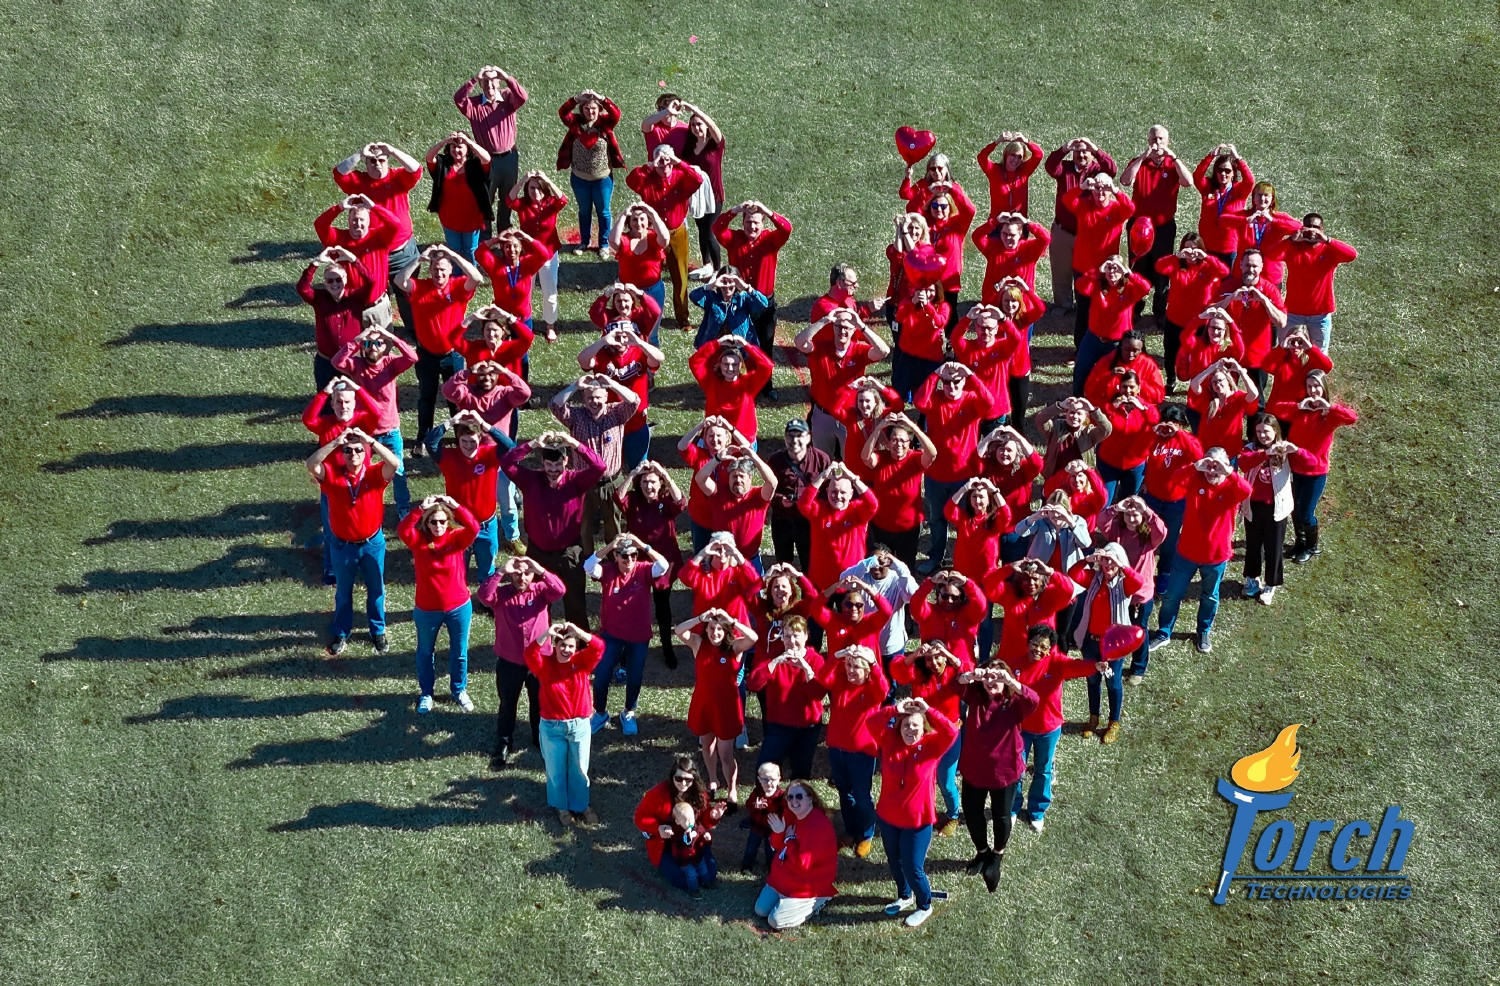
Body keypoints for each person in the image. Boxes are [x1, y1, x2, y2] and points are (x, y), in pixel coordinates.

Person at [306, 429, 400, 655]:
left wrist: (370, 441)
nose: (353, 454)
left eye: (359, 450)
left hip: (372, 544)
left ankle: (377, 630)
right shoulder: (332, 475)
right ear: (341, 454)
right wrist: (335, 442)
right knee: (343, 591)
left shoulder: (375, 474)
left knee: (376, 589)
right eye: (347, 450)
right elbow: (311, 464)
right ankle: (341, 632)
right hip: (342, 546)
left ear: (366, 452)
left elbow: (394, 463)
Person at [1150, 448, 1253, 653]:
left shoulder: (1232, 487)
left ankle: (1203, 631)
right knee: (1171, 595)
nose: (1212, 471)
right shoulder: (1195, 480)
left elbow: (1247, 491)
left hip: (1216, 556)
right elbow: (1175, 478)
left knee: (1210, 596)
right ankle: (1164, 632)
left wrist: (1228, 472)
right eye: (1210, 465)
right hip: (1186, 553)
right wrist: (1195, 466)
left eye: (1218, 466)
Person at [870, 696, 959, 928]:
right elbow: (870, 723)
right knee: (894, 860)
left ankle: (924, 905)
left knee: (912, 865)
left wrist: (929, 709)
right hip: (889, 816)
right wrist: (893, 710)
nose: (910, 729)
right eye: (906, 725)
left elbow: (951, 731)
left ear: (924, 728)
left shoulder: (932, 745)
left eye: (915, 725)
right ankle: (904, 895)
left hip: (918, 820)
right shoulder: (890, 740)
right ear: (899, 726)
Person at [499, 432, 606, 626]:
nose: (553, 470)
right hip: (538, 553)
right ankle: (541, 643)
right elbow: (506, 463)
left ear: (566, 461)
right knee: (537, 603)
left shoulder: (576, 481)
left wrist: (575, 444)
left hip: (570, 553)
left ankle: (579, 646)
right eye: (549, 465)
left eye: (558, 465)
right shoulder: (530, 480)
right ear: (542, 463)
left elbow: (600, 466)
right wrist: (532, 443)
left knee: (575, 605)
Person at [393, 245, 485, 455]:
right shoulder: (420, 287)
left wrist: (453, 254)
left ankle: (461, 436)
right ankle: (423, 439)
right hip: (426, 355)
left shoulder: (458, 287)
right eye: (435, 269)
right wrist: (419, 259)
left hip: (452, 355)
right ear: (429, 270)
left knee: (456, 399)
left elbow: (477, 278)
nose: (439, 274)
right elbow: (399, 281)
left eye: (443, 269)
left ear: (450, 271)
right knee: (427, 398)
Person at [956, 661, 1040, 890]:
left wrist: (1011, 681)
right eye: (988, 677)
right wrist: (973, 675)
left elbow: (1034, 700)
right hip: (975, 768)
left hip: (1005, 772)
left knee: (1001, 815)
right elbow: (956, 683)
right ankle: (982, 852)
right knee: (972, 812)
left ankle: (997, 856)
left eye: (998, 678)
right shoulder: (976, 696)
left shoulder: (1014, 702)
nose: (992, 682)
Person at [1009, 626, 1102, 832]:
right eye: (1035, 644)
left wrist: (1096, 666)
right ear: (1028, 643)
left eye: (1044, 647)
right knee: (1016, 770)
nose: (1038, 650)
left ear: (1051, 649)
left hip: (1048, 729)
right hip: (1021, 728)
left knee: (1043, 771)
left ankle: (1037, 811)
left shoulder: (1057, 663)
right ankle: (1013, 807)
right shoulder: (1015, 665)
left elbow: (1080, 666)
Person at [475, 556, 564, 768]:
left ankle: (538, 737)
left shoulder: (541, 590)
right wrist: (499, 572)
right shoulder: (502, 594)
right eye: (516, 573)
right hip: (510, 662)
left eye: (526, 573)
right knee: (507, 704)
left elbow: (560, 590)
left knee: (539, 702)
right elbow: (484, 597)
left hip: (539, 662)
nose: (521, 577)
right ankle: (504, 742)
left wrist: (541, 569)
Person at [584, 533, 671, 735]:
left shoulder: (643, 570)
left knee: (634, 677)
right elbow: (588, 567)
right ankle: (600, 713)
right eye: (624, 556)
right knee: (602, 676)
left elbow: (664, 566)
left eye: (633, 556)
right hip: (611, 635)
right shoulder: (608, 571)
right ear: (616, 556)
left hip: (639, 636)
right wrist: (610, 545)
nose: (629, 561)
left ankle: (629, 712)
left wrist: (641, 544)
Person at [398, 497, 479, 714]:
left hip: (459, 607)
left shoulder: (457, 538)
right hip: (427, 609)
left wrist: (457, 505)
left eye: (443, 521)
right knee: (425, 652)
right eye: (433, 522)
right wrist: (419, 509)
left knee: (459, 652)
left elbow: (474, 527)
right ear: (426, 523)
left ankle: (459, 690)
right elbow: (403, 530)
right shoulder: (418, 541)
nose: (439, 526)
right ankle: (426, 693)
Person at [1269, 370, 1359, 563]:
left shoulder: (1330, 415)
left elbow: (1352, 418)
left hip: (1315, 471)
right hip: (1295, 468)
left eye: (1316, 386)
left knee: (1306, 512)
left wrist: (1329, 407)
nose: (1313, 390)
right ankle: (1300, 543)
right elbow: (1275, 408)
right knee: (1294, 509)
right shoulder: (1301, 409)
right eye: (1309, 386)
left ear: (1323, 387)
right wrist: (1299, 406)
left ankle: (1312, 546)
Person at [333, 141, 425, 329]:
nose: (378, 164)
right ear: (366, 165)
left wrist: (391, 150)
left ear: (388, 162)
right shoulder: (359, 182)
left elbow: (416, 170)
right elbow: (338, 173)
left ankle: (413, 328)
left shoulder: (397, 177)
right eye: (372, 162)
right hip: (373, 252)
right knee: (375, 293)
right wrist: (360, 153)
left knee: (407, 291)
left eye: (382, 160)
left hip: (402, 251)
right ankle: (380, 330)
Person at [443, 360, 531, 552]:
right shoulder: (467, 393)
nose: (487, 377)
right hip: (472, 455)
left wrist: (506, 372)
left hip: (499, 456)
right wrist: (467, 372)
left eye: (492, 373)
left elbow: (525, 394)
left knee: (507, 500)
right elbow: (448, 391)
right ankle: (466, 532)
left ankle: (513, 536)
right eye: (482, 374)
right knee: (469, 498)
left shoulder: (505, 394)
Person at [914, 362, 994, 570]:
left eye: (956, 381)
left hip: (965, 474)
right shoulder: (935, 400)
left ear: (963, 381)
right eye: (947, 382)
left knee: (964, 521)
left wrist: (971, 375)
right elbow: (919, 402)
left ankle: (963, 559)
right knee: (937, 519)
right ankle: (936, 557)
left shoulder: (971, 401)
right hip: (936, 474)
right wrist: (935, 373)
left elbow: (990, 401)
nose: (951, 386)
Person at [332, 325, 417, 518]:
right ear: (363, 347)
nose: (373, 347)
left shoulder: (390, 363)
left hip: (391, 430)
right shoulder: (356, 365)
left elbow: (413, 357)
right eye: (369, 344)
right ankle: (364, 505)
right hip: (365, 432)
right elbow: (338, 361)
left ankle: (403, 509)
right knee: (363, 472)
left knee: (399, 471)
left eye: (378, 344)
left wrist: (390, 337)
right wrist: (357, 339)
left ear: (384, 347)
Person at [525, 621, 604, 826]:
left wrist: (578, 632)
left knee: (579, 767)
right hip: (552, 728)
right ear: (555, 646)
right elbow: (529, 654)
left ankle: (581, 805)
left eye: (571, 646)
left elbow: (599, 647)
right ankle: (561, 807)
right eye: (562, 645)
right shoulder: (544, 665)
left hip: (579, 726)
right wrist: (545, 633)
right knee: (555, 769)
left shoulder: (583, 662)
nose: (566, 650)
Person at [550, 372, 641, 551]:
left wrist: (611, 383)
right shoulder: (576, 416)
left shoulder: (617, 413)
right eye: (590, 397)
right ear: (584, 398)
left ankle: (615, 557)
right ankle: (586, 559)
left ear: (606, 396)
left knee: (614, 525)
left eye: (598, 397)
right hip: (584, 483)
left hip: (612, 482)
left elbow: (634, 401)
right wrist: (575, 385)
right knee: (583, 526)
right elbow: (555, 405)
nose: (594, 401)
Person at [677, 609, 758, 804]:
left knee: (726, 753)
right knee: (707, 745)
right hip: (704, 705)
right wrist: (699, 618)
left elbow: (753, 638)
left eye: (720, 629)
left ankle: (731, 788)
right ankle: (713, 779)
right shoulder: (698, 643)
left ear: (726, 630)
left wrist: (733, 621)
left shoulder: (735, 648)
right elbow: (679, 631)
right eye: (711, 628)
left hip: (726, 708)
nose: (715, 633)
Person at [424, 410, 515, 584]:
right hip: (459, 526)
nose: (468, 445)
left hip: (486, 526)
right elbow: (430, 442)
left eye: (472, 440)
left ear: (480, 439)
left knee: (487, 568)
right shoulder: (448, 457)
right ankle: (459, 602)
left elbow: (509, 446)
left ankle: (485, 602)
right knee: (457, 568)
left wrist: (485, 425)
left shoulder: (490, 454)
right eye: (463, 441)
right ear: (457, 440)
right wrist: (451, 422)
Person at [303, 379, 380, 583]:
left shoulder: (362, 421)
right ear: (332, 403)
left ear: (354, 404)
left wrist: (358, 388)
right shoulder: (326, 424)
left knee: (363, 524)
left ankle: (363, 562)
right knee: (331, 528)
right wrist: (324, 392)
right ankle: (331, 568)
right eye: (338, 402)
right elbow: (308, 420)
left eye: (347, 402)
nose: (343, 406)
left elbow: (377, 413)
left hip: (361, 484)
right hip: (333, 484)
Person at [816, 645, 889, 857]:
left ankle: (866, 834)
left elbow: (884, 689)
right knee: (844, 793)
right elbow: (822, 677)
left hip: (862, 752)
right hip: (837, 749)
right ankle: (850, 830)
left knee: (862, 797)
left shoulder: (872, 690)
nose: (850, 670)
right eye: (848, 665)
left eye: (856, 666)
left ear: (867, 671)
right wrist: (836, 656)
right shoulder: (840, 683)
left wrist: (874, 664)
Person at [1118, 125, 1194, 328]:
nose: (1157, 143)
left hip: (1163, 228)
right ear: (1148, 140)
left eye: (1161, 139)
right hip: (1139, 226)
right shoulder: (1139, 162)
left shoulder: (1172, 165)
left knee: (1162, 269)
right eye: (1153, 139)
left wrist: (1174, 158)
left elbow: (1188, 182)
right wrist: (1143, 157)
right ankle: (1135, 307)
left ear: (1167, 141)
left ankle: (1160, 311)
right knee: (1137, 267)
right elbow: (1125, 180)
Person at [890, 643, 970, 837]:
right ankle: (925, 812)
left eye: (938, 657)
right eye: (929, 658)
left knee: (945, 781)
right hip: (923, 736)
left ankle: (953, 815)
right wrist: (915, 654)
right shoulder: (919, 674)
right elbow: (896, 670)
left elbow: (969, 671)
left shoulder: (954, 674)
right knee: (923, 778)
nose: (934, 662)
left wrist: (950, 655)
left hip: (949, 735)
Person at [642, 96, 727, 277]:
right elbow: (645, 124)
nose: (697, 128)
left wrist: (694, 109)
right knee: (698, 228)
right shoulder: (689, 144)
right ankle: (706, 264)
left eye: (700, 125)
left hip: (713, 193)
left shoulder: (715, 145)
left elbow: (714, 128)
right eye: (694, 125)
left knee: (708, 230)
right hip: (692, 193)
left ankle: (718, 271)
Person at [615, 461, 689, 666]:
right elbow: (618, 497)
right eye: (645, 482)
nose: (649, 486)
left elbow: (681, 501)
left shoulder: (667, 500)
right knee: (632, 607)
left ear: (660, 484)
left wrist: (665, 473)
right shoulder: (633, 499)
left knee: (663, 607)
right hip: (637, 562)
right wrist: (633, 473)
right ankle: (627, 648)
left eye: (653, 482)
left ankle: (667, 647)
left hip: (662, 562)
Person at [714, 201, 794, 390]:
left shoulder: (771, 240)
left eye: (756, 222)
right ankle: (743, 381)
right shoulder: (734, 239)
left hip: (764, 304)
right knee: (741, 345)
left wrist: (767, 210)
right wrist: (736, 210)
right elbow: (717, 228)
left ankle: (766, 386)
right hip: (741, 304)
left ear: (763, 224)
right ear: (743, 223)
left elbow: (786, 228)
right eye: (748, 222)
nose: (752, 226)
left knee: (765, 347)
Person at [625, 144, 704, 332]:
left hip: (676, 232)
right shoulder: (647, 178)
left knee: (680, 276)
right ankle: (641, 313)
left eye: (668, 160)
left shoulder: (680, 176)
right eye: (660, 160)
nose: (664, 164)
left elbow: (697, 179)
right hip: (652, 235)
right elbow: (631, 180)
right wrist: (650, 166)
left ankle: (682, 317)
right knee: (648, 275)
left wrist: (678, 162)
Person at [1238, 415, 1315, 606]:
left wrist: (1297, 450)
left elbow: (1311, 464)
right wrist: (1265, 454)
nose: (1262, 435)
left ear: (1275, 432)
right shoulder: (1250, 449)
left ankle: (1271, 584)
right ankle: (1251, 578)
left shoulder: (1285, 450)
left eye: (1266, 431)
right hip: (1253, 507)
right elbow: (1243, 463)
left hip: (1277, 508)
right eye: (1258, 432)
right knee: (1253, 545)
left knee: (1274, 548)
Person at [1070, 544, 1143, 742]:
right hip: (1091, 641)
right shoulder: (1094, 579)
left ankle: (1113, 723)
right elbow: (1073, 573)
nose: (1108, 564)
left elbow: (1139, 582)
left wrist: (1122, 565)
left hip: (1114, 646)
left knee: (1113, 682)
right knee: (1093, 679)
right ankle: (1094, 718)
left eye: (1112, 560)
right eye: (1105, 560)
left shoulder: (1123, 584)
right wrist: (1088, 560)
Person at [794, 308, 892, 457]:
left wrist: (861, 326)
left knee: (850, 460)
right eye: (838, 326)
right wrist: (824, 320)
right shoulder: (821, 348)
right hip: (823, 416)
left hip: (850, 417)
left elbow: (883, 351)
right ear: (833, 327)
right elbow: (799, 341)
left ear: (854, 330)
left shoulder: (859, 351)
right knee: (822, 459)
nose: (843, 331)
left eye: (847, 327)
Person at [1063, 176, 1137, 355]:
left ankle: (1109, 346)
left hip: (1108, 272)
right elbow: (1067, 200)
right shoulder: (1083, 206)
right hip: (1083, 269)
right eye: (1097, 189)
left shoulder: (1117, 210)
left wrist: (1116, 190)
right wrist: (1081, 187)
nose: (1100, 193)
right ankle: (1080, 348)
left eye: (1104, 190)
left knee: (1107, 309)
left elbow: (1131, 208)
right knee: (1084, 310)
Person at [1096, 496, 1168, 679]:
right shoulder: (1116, 533)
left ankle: (1138, 668)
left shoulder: (1149, 538)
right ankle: (1113, 657)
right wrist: (1116, 508)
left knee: (1139, 631)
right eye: (1127, 514)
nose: (1131, 518)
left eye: (1135, 515)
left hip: (1140, 595)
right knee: (1115, 627)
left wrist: (1146, 511)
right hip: (1119, 592)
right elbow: (1100, 521)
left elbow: (1162, 530)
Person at [578, 318, 664, 471]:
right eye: (617, 337)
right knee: (608, 470)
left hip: (635, 420)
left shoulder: (639, 351)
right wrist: (603, 341)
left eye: (625, 336)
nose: (622, 341)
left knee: (639, 469)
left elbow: (658, 358)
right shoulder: (601, 354)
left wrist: (638, 342)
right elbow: (583, 361)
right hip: (609, 422)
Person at [747, 616, 826, 783]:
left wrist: (805, 668)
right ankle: (766, 804)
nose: (792, 641)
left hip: (807, 728)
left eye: (796, 635)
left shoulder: (816, 660)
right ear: (781, 637)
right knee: (764, 769)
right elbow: (754, 684)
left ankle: (797, 803)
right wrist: (775, 662)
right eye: (787, 636)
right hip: (779, 726)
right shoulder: (773, 656)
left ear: (806, 636)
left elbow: (818, 694)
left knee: (801, 773)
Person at [1045, 136, 1117, 313]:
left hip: (1088, 234)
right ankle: (1063, 304)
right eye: (1078, 151)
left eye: (1085, 151)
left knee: (1087, 270)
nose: (1082, 155)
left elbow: (1112, 170)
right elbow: (1050, 166)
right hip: (1063, 230)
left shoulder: (1097, 170)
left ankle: (1087, 302)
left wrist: (1096, 149)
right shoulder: (1066, 169)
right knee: (1061, 270)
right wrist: (1063, 149)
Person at [1140, 407, 1204, 605]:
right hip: (1151, 498)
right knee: (1145, 537)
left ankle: (1164, 574)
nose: (1169, 426)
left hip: (1176, 501)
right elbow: (1140, 451)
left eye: (1174, 422)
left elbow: (1197, 456)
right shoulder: (1155, 438)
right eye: (1166, 421)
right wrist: (1152, 432)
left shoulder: (1189, 440)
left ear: (1182, 424)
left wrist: (1180, 434)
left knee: (1169, 541)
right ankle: (1144, 573)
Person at [754, 779, 839, 930]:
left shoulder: (817, 825)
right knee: (760, 910)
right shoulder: (790, 815)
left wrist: (789, 839)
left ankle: (818, 900)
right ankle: (784, 898)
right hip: (783, 876)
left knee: (775, 922)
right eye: (789, 797)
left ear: (810, 798)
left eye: (799, 796)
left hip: (807, 883)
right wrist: (779, 832)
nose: (794, 801)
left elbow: (804, 864)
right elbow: (776, 845)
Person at [1012, 496, 1094, 652]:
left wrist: (1070, 522)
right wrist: (1035, 516)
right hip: (1041, 582)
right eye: (1052, 511)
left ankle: (1059, 661)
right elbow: (1019, 531)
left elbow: (1086, 543)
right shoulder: (1042, 522)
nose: (1055, 517)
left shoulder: (1077, 521)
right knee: (1041, 626)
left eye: (1059, 512)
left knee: (1061, 631)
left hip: (1066, 583)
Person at [1267, 213, 1358, 350]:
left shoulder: (1330, 250)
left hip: (1320, 314)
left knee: (1319, 355)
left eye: (1316, 227)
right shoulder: (1293, 247)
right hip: (1293, 311)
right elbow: (1271, 255)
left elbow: (1352, 255)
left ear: (1322, 229)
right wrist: (1290, 240)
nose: (1312, 230)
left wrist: (1327, 240)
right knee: (1285, 350)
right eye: (1308, 227)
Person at [860, 412, 937, 570]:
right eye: (894, 440)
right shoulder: (881, 458)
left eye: (903, 440)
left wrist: (912, 426)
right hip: (881, 527)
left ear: (909, 443)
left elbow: (932, 453)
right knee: (880, 569)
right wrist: (880, 427)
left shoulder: (915, 459)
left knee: (905, 568)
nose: (898, 444)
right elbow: (865, 457)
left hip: (908, 529)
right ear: (888, 443)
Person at [452, 65, 527, 230]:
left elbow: (523, 97)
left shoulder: (508, 98)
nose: (490, 85)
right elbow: (458, 99)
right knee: (486, 197)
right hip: (487, 160)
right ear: (481, 84)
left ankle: (504, 229)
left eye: (493, 81)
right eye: (485, 81)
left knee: (507, 196)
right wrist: (473, 79)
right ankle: (485, 233)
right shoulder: (474, 105)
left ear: (499, 83)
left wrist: (507, 77)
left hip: (509, 157)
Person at [1154, 235, 1230, 390]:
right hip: (1174, 319)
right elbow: (1159, 267)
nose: (1192, 253)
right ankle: (1171, 379)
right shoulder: (1176, 264)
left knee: (1198, 356)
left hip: (1199, 323)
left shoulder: (1208, 268)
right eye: (1188, 248)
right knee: (1171, 352)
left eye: (1195, 249)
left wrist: (1207, 257)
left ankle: (1197, 381)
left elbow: (1224, 271)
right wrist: (1176, 256)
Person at [313, 195, 402, 326]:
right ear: (348, 220)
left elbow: (396, 224)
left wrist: (374, 207)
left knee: (380, 345)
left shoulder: (380, 238)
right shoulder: (337, 239)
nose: (358, 224)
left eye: (362, 220)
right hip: (350, 309)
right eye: (354, 220)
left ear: (369, 221)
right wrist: (340, 207)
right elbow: (320, 224)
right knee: (353, 345)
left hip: (377, 308)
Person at [555, 89, 625, 254]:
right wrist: (575, 99)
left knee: (603, 211)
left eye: (594, 108)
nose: (590, 111)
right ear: (581, 109)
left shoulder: (605, 123)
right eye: (586, 108)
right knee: (584, 210)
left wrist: (603, 98)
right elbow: (562, 112)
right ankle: (584, 242)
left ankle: (604, 244)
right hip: (579, 179)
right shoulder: (575, 123)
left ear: (599, 109)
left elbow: (616, 114)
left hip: (603, 179)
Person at [298, 248, 378, 389]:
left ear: (345, 279)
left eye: (338, 279)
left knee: (353, 397)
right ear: (325, 283)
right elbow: (302, 288)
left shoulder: (356, 297)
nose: (334, 284)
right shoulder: (319, 298)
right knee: (326, 400)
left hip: (351, 360)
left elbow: (371, 281)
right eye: (330, 280)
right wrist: (315, 263)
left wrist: (353, 259)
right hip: (326, 362)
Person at [1073, 254, 1151, 395]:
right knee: (1081, 371)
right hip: (1093, 339)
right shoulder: (1097, 285)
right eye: (1109, 268)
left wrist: (1128, 272)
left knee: (1114, 376)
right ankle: (1076, 400)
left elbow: (1145, 287)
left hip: (1116, 344)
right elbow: (1080, 286)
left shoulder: (1129, 289)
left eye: (1117, 269)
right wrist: (1098, 271)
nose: (1112, 273)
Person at [796, 461, 879, 590]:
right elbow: (803, 503)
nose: (838, 496)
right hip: (822, 581)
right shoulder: (819, 510)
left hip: (851, 582)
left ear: (851, 494)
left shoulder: (857, 511)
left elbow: (873, 504)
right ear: (827, 491)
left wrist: (853, 478)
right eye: (833, 492)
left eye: (843, 492)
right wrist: (823, 476)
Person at [505, 171, 569, 340]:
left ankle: (550, 325)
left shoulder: (551, 203)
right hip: (527, 257)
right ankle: (526, 321)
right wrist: (522, 180)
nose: (535, 192)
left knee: (550, 291)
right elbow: (509, 200)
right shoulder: (523, 204)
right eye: (532, 188)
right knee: (526, 291)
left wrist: (547, 180)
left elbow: (563, 199)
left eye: (539, 189)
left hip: (548, 255)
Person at [635, 756, 716, 886]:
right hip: (667, 844)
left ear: (693, 779)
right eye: (679, 778)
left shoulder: (700, 794)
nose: (683, 783)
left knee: (710, 875)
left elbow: (705, 822)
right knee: (683, 881)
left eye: (688, 780)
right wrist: (658, 828)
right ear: (672, 777)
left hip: (693, 842)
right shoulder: (658, 794)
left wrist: (713, 816)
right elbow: (640, 817)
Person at [1216, 248, 1288, 392]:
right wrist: (1230, 298)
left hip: (1258, 354)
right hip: (1230, 351)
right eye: (1248, 265)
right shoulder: (1228, 286)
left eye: (1255, 266)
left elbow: (1282, 322)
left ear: (1261, 267)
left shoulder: (1270, 290)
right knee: (1225, 393)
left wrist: (1263, 300)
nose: (1251, 269)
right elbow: (1209, 312)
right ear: (1241, 265)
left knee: (1257, 401)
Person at [695, 446, 777, 572]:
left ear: (750, 477)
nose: (737, 480)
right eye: (734, 476)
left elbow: (772, 483)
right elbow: (700, 479)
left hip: (751, 560)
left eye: (741, 476)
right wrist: (717, 459)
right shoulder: (718, 493)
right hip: (724, 560)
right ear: (728, 478)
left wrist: (754, 457)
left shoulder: (759, 497)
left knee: (754, 591)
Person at [765, 419, 832, 573]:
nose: (794, 440)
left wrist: (810, 503)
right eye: (790, 436)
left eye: (799, 435)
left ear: (808, 437)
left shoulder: (821, 459)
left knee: (811, 566)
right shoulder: (775, 461)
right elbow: (768, 490)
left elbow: (828, 492)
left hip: (809, 523)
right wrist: (780, 500)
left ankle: (809, 596)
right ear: (785, 438)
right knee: (783, 566)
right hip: (783, 520)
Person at [840, 547, 919, 679]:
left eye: (881, 563)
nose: (876, 567)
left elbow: (914, 596)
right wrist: (867, 562)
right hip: (866, 646)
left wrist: (898, 565)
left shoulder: (898, 579)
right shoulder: (862, 578)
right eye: (873, 563)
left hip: (892, 646)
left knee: (890, 684)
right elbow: (843, 579)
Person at [949, 301, 1024, 428]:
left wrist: (1003, 318)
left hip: (997, 412)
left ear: (996, 329)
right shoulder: (967, 348)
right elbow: (955, 338)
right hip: (971, 411)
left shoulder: (1002, 348)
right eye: (982, 327)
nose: (986, 332)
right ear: (976, 328)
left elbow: (1016, 338)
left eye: (990, 328)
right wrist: (967, 318)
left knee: (995, 448)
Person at [975, 425, 1044, 563]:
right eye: (1001, 449)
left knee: (1013, 569)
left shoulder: (1024, 468)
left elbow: (1038, 463)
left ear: (1016, 452)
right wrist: (990, 436)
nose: (1005, 454)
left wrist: (1017, 436)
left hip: (1016, 529)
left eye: (1009, 450)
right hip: (991, 528)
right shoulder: (989, 466)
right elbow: (973, 461)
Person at [423, 132, 493, 262]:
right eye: (453, 146)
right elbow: (429, 157)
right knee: (454, 251)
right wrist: (444, 141)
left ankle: (471, 279)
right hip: (449, 220)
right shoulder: (442, 163)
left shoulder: (475, 165)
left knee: (470, 251)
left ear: (467, 149)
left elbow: (487, 158)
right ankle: (456, 279)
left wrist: (468, 141)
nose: (456, 150)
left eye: (460, 146)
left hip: (471, 221)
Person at [689, 335, 774, 441]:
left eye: (734, 364)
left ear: (740, 366)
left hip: (743, 439)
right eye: (726, 364)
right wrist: (717, 343)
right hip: (715, 438)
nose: (730, 368)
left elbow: (767, 366)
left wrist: (746, 345)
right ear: (719, 365)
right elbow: (694, 362)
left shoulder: (749, 383)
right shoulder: (711, 382)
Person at [1096, 372, 1162, 504]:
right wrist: (1112, 408)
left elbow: (1156, 424)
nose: (1128, 391)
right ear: (1119, 388)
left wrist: (1142, 408)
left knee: (1127, 502)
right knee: (1104, 501)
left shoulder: (1147, 408)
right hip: (1109, 462)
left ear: (1139, 388)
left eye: (1132, 387)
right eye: (1124, 387)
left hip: (1135, 465)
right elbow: (1098, 422)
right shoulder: (1110, 406)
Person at [607, 205, 670, 340]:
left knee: (652, 332)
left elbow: (665, 239)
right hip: (628, 293)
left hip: (653, 291)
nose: (639, 223)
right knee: (629, 328)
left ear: (648, 221)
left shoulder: (654, 238)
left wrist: (653, 212)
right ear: (629, 223)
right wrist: (624, 214)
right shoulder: (624, 239)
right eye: (634, 220)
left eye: (642, 219)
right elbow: (612, 240)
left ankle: (651, 358)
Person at [1193, 144, 1255, 266]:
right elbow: (1197, 176)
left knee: (1227, 282)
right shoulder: (1208, 188)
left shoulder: (1239, 191)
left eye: (1227, 171)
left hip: (1229, 248)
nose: (1223, 174)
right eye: (1220, 170)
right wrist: (1210, 156)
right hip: (1207, 246)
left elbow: (1250, 181)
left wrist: (1238, 158)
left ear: (1233, 173)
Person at [1187, 358, 1260, 460]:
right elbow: (1194, 384)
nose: (1217, 384)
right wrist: (1211, 368)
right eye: (1214, 382)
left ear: (1228, 380)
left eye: (1220, 380)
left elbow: (1254, 394)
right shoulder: (1208, 398)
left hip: (1229, 453)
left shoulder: (1238, 397)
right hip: (1207, 451)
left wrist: (1240, 371)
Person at [911, 570, 988, 666]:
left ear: (961, 597)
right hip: (933, 669)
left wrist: (967, 583)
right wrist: (930, 583)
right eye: (945, 596)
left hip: (962, 669)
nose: (949, 601)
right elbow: (915, 604)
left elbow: (981, 607)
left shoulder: (968, 614)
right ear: (938, 594)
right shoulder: (929, 612)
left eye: (954, 597)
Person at [1084, 330, 1167, 409]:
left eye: (1135, 351)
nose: (1130, 354)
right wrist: (1109, 376)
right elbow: (1089, 392)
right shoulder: (1107, 361)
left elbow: (1159, 397)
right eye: (1127, 350)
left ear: (1141, 350)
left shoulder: (1149, 365)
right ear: (1121, 347)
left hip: (1139, 411)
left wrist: (1138, 382)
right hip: (1111, 410)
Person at [689, 269, 770, 349]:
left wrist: (746, 287)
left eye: (731, 282)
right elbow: (693, 296)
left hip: (740, 349)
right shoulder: (712, 298)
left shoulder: (743, 299)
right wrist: (712, 285)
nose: (727, 286)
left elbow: (764, 303)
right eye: (724, 282)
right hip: (715, 347)